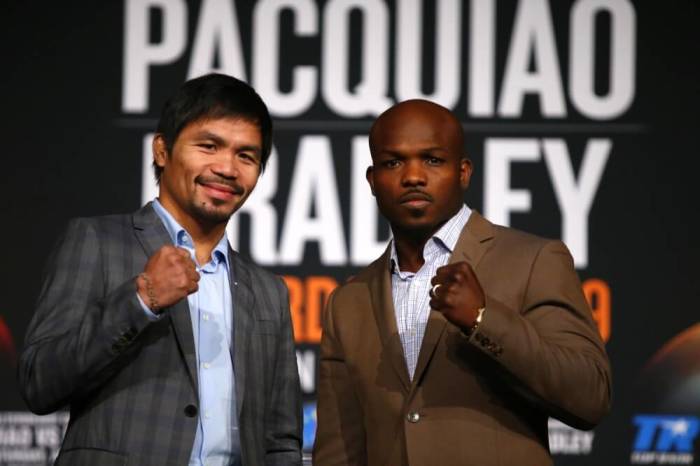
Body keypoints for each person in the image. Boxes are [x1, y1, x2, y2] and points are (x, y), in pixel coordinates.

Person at [18, 74, 302, 466]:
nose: (227, 168)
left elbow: (281, 440)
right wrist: (141, 299)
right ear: (162, 151)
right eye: (209, 146)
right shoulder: (98, 242)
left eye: (246, 156)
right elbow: (39, 383)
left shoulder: (269, 291)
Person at [313, 99, 611, 466]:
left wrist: (484, 320)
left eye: (433, 160)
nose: (413, 177)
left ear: (464, 172)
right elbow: (339, 451)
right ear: (373, 181)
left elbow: (590, 396)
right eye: (393, 162)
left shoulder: (534, 260)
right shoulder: (348, 301)